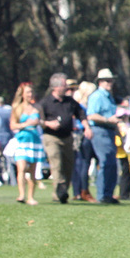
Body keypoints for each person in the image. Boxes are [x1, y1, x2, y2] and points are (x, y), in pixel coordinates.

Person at [38, 72, 88, 204]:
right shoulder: (45, 103)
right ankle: (58, 192)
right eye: (64, 85)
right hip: (51, 137)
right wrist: (48, 123)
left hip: (67, 137)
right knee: (56, 163)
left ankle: (63, 191)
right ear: (55, 87)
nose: (67, 88)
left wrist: (87, 127)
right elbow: (38, 120)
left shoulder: (70, 102)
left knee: (68, 166)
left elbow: (81, 114)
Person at [85, 69, 126, 204]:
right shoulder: (97, 96)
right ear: (100, 82)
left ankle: (108, 193)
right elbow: (91, 115)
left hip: (109, 131)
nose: (110, 83)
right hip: (100, 130)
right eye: (107, 80)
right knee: (106, 162)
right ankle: (102, 194)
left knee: (111, 164)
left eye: (111, 80)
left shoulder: (109, 97)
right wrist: (108, 120)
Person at [8, 83, 43, 205]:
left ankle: (31, 197)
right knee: (21, 168)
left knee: (32, 170)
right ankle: (21, 194)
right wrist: (25, 124)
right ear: (22, 94)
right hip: (22, 140)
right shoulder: (17, 108)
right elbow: (13, 125)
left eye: (31, 92)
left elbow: (42, 122)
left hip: (34, 140)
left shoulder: (37, 108)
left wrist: (40, 122)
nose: (30, 94)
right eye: (27, 92)